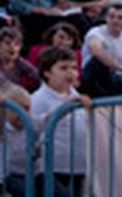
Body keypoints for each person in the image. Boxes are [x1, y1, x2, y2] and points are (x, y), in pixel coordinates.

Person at [30, 47, 91, 196]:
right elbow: (34, 126)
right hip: (53, 165)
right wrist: (62, 111)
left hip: (78, 163)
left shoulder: (74, 94)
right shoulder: (38, 98)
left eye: (73, 67)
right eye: (63, 68)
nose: (70, 72)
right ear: (47, 72)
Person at [80, 5, 122, 97]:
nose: (115, 21)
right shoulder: (95, 32)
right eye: (111, 16)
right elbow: (96, 52)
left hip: (117, 80)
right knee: (98, 63)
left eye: (120, 18)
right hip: (94, 77)